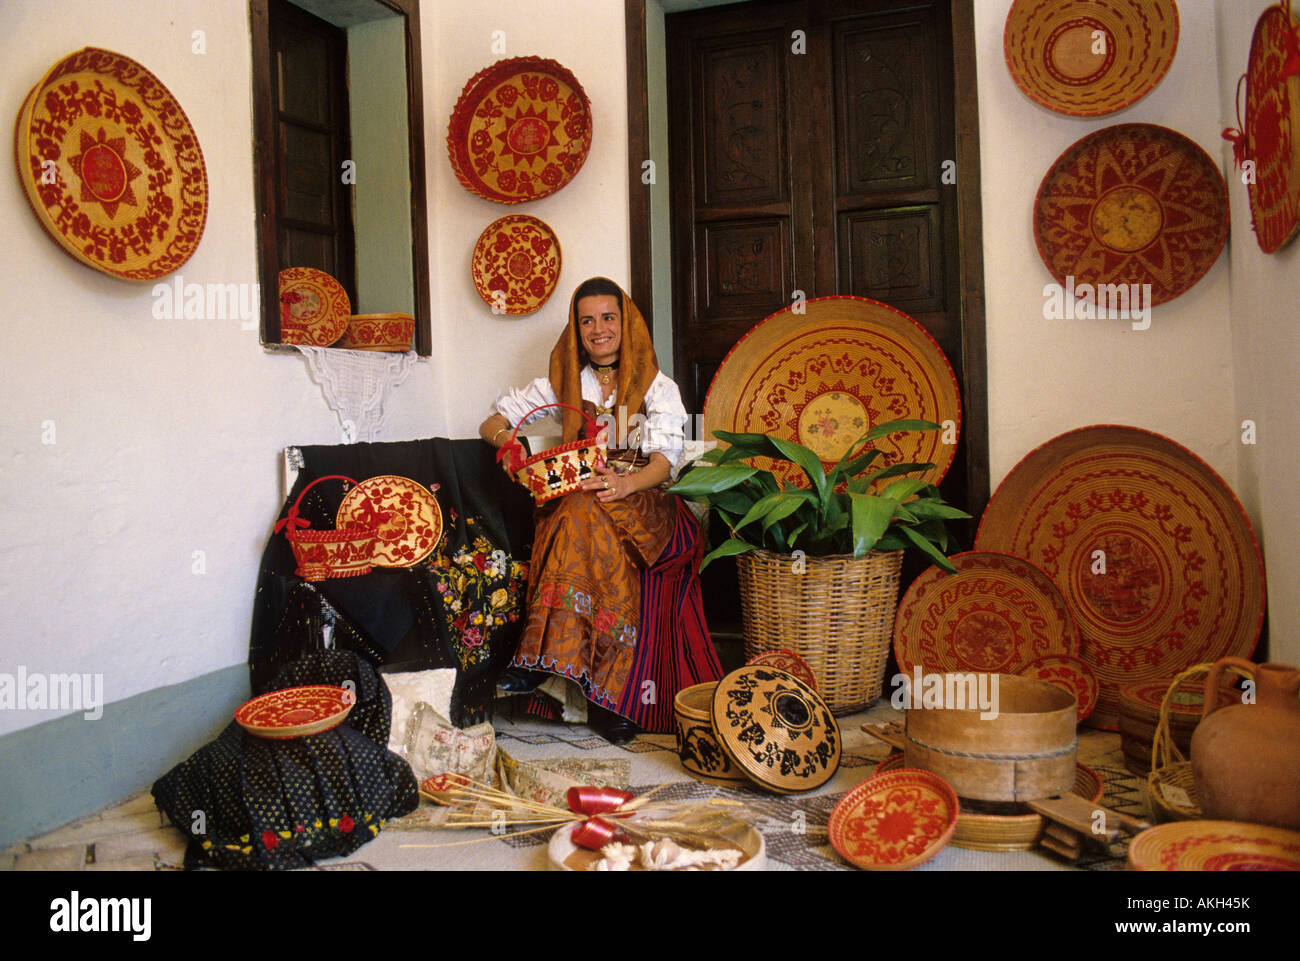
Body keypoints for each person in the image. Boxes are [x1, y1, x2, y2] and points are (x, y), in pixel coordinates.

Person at [478, 277, 722, 742]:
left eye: (608, 317)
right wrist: (507, 445)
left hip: (647, 499)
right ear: (576, 328)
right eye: (586, 320)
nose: (598, 329)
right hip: (585, 497)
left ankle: (541, 663)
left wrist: (625, 483)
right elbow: (493, 420)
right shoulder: (563, 382)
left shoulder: (656, 383)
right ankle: (610, 701)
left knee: (578, 512)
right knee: (579, 512)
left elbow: (664, 463)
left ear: (624, 322)